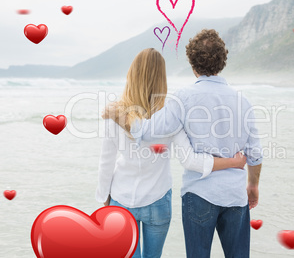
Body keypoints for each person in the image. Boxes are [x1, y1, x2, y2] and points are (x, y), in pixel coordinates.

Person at [95, 48, 247, 258]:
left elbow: (106, 164)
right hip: (158, 200)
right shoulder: (170, 114)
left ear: (131, 75)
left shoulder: (114, 114)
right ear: (162, 79)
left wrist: (105, 199)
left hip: (121, 199)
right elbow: (190, 160)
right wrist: (233, 162)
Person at [131, 30, 263, 258]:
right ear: (222, 62)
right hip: (235, 194)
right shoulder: (243, 101)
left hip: (199, 193)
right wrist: (253, 185)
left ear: (193, 64)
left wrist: (127, 115)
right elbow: (255, 153)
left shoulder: (183, 98)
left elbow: (149, 132)